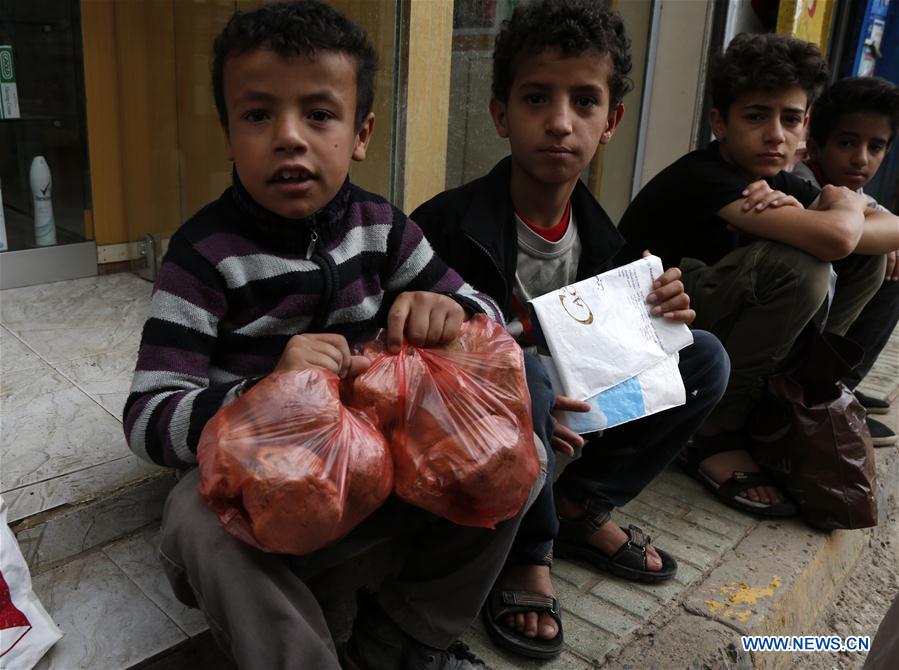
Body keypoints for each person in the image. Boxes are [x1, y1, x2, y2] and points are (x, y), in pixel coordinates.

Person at [122, 3, 545, 669]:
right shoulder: (203, 256)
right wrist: (265, 393)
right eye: (258, 114)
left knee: (522, 457)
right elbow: (148, 416)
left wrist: (450, 314)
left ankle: (406, 634)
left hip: (379, 457)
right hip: (262, 474)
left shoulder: (382, 227)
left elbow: (488, 316)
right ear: (229, 136)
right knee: (194, 525)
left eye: (318, 114)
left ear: (360, 132)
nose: (289, 137)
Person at [412, 0, 730, 659]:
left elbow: (608, 353)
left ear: (611, 120)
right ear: (500, 113)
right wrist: (521, 394)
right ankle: (529, 550)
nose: (559, 123)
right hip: (476, 425)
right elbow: (420, 363)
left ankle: (579, 509)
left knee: (702, 358)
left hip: (563, 415)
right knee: (522, 369)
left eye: (584, 102)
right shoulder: (442, 226)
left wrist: (662, 313)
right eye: (535, 98)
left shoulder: (608, 244)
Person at [618, 33, 899, 517]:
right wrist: (846, 204)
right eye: (755, 116)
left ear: (806, 125)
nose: (775, 134)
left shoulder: (780, 182)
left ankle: (787, 400)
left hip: (702, 332)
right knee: (802, 265)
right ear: (719, 123)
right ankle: (710, 431)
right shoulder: (704, 177)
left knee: (868, 260)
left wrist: (833, 207)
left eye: (790, 119)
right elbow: (836, 240)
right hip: (648, 344)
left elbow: (891, 230)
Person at [792, 76, 899, 447]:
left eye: (876, 147)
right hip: (786, 332)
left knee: (891, 259)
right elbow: (845, 232)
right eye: (847, 143)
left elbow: (877, 216)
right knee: (879, 258)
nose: (861, 158)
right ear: (817, 146)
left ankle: (840, 386)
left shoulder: (854, 191)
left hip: (815, 326)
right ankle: (826, 398)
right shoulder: (800, 183)